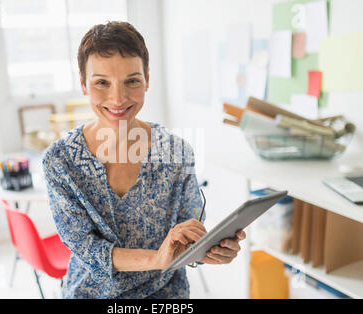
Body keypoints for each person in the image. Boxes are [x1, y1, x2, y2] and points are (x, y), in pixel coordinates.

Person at [42, 21, 246, 299]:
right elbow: (85, 246)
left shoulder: (176, 152)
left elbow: (188, 238)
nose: (118, 98)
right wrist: (156, 258)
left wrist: (208, 250)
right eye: (102, 82)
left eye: (132, 81)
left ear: (147, 79)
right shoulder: (60, 161)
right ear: (83, 84)